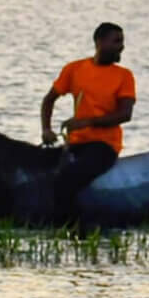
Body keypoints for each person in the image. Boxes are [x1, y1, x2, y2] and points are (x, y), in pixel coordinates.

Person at [39, 21, 136, 218]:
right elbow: (49, 100)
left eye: (122, 41)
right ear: (99, 42)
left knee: (66, 181)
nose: (122, 46)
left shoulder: (124, 76)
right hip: (75, 143)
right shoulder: (74, 69)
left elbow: (125, 114)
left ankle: (78, 233)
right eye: (116, 41)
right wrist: (46, 130)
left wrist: (87, 122)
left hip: (104, 145)